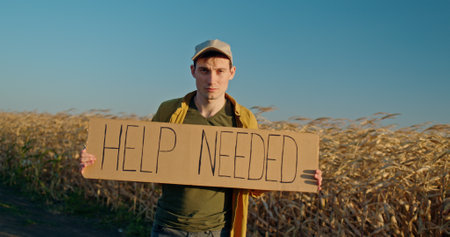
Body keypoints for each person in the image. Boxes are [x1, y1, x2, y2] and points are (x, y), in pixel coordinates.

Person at [80, 39, 323, 237]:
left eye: (220, 71)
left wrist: (299, 172)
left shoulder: (244, 119)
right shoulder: (169, 110)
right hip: (167, 226)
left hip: (217, 230)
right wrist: (98, 158)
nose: (212, 79)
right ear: (193, 71)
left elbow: (254, 176)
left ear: (232, 73)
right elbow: (141, 158)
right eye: (205, 70)